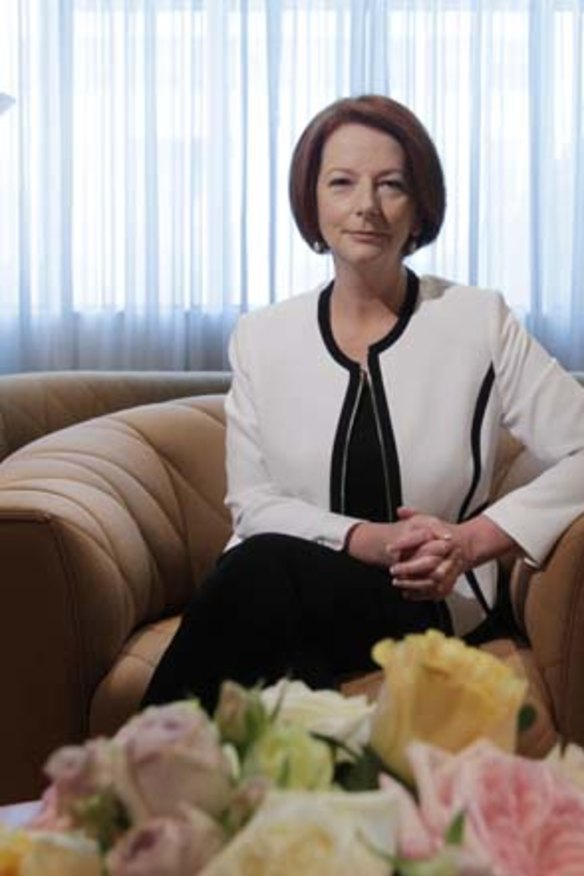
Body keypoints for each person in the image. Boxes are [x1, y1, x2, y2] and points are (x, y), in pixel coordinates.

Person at [143, 94, 584, 713]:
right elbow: (253, 503)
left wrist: (472, 541)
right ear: (313, 199)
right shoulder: (262, 335)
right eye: (342, 183)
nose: (366, 207)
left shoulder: (477, 319)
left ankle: (119, 790)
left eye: (392, 185)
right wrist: (367, 539)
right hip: (279, 587)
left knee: (255, 585)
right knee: (268, 590)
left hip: (425, 598)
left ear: (419, 205)